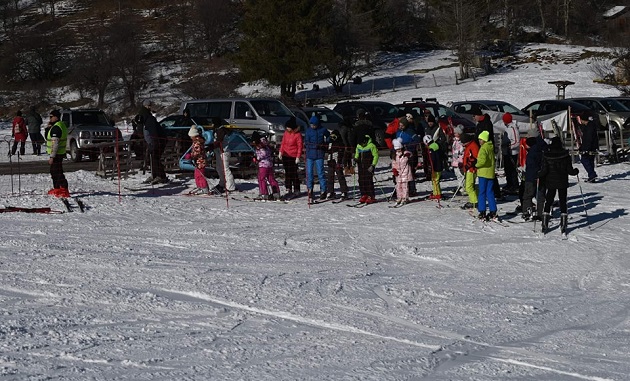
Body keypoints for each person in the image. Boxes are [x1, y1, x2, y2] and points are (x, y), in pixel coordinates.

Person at [537, 136, 579, 234]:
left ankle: (544, 222)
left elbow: (544, 170)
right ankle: (563, 224)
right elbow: (569, 170)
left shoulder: (547, 155)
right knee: (563, 201)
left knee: (549, 201)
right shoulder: (565, 155)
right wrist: (575, 171)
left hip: (550, 182)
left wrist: (537, 174)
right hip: (562, 182)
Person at [471, 106, 502, 199]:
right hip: (481, 147)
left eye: (474, 116)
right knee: (486, 169)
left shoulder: (486, 123)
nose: (473, 118)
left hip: (486, 148)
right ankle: (493, 190)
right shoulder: (480, 123)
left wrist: (480, 143)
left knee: (489, 169)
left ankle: (495, 191)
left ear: (478, 115)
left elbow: (486, 136)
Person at [139, 99, 168, 184]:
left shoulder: (148, 118)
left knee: (155, 158)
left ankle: (160, 176)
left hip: (156, 141)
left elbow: (154, 132)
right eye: (149, 105)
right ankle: (155, 175)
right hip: (153, 141)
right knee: (153, 158)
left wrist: (153, 143)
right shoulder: (146, 117)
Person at [521, 130, 547, 221]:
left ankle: (527, 212)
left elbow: (532, 164)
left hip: (532, 175)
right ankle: (541, 212)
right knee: (541, 195)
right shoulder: (543, 146)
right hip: (542, 174)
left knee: (528, 194)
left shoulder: (533, 150)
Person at [304, 115, 329, 202]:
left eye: (314, 125)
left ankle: (323, 190)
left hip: (319, 155)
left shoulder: (323, 130)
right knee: (309, 173)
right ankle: (310, 190)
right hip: (310, 155)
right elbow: (306, 142)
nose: (312, 126)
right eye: (311, 125)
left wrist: (325, 143)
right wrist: (315, 146)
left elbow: (328, 136)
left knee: (320, 173)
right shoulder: (308, 131)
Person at [46, 109, 70, 198]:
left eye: (51, 117)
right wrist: (47, 129)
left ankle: (63, 189)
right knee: (54, 171)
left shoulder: (56, 127)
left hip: (57, 153)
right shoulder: (60, 125)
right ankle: (57, 188)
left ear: (56, 117)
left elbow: (55, 143)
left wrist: (52, 156)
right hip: (60, 152)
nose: (50, 119)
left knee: (57, 172)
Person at [475, 130, 498, 221]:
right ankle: (493, 211)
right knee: (490, 192)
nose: (479, 141)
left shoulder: (483, 148)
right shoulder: (490, 146)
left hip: (483, 173)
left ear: (484, 139)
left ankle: (482, 211)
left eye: (480, 139)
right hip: (490, 173)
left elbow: (482, 161)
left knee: (482, 193)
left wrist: (476, 165)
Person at [278, 117, 303, 200]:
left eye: (288, 127)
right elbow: (283, 143)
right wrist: (280, 152)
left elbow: (300, 146)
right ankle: (288, 187)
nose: (287, 129)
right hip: (286, 155)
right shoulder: (286, 133)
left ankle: (296, 188)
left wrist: (298, 156)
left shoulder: (297, 135)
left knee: (293, 173)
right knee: (287, 173)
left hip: (293, 156)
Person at [395, 114, 420, 196]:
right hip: (400, 153)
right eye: (400, 125)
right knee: (401, 172)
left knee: (410, 172)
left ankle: (412, 189)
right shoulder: (398, 132)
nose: (400, 127)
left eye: (402, 125)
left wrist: (409, 146)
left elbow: (417, 140)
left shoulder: (410, 131)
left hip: (409, 153)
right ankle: (401, 189)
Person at [211, 117, 237, 194]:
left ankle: (230, 186)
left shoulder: (221, 130)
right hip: (218, 151)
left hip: (224, 151)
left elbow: (219, 141)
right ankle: (222, 183)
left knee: (225, 168)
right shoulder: (217, 129)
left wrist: (211, 146)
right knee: (219, 168)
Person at [252, 134, 280, 200]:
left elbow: (263, 153)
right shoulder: (266, 145)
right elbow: (268, 152)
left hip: (263, 166)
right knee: (271, 179)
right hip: (269, 165)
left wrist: (257, 158)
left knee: (261, 179)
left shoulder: (260, 145)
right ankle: (276, 193)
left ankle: (264, 194)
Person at [499, 113, 520, 195]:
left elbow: (516, 141)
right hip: (506, 153)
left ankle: (515, 186)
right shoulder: (507, 128)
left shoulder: (513, 128)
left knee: (512, 170)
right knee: (507, 170)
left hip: (512, 153)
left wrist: (509, 147)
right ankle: (509, 184)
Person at [354, 134, 379, 204]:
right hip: (361, 166)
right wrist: (355, 159)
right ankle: (364, 194)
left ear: (365, 141)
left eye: (362, 143)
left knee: (368, 181)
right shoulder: (359, 146)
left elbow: (376, 156)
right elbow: (357, 153)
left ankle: (371, 196)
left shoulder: (371, 146)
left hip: (369, 167)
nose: (361, 145)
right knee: (361, 180)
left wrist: (373, 165)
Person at [326, 129, 349, 200]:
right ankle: (330, 192)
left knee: (340, 176)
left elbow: (342, 153)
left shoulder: (340, 143)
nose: (333, 138)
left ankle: (344, 192)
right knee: (330, 177)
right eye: (332, 136)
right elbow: (328, 150)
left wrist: (340, 162)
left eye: (334, 136)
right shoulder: (330, 143)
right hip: (330, 162)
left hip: (337, 162)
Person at [186, 126, 209, 195]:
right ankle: (199, 186)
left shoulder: (198, 142)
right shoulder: (195, 141)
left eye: (191, 136)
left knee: (200, 175)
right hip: (197, 161)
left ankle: (204, 188)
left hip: (200, 161)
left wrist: (190, 155)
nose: (190, 138)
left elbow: (197, 152)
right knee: (196, 174)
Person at [577, 112, 599, 182]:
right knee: (590, 161)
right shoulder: (590, 126)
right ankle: (591, 176)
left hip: (589, 147)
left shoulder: (589, 127)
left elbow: (588, 139)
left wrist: (585, 148)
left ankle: (592, 174)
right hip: (592, 146)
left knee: (584, 160)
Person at [461, 133, 479, 210]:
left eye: (463, 142)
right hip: (468, 169)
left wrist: (468, 165)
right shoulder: (469, 146)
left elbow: (475, 158)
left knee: (469, 187)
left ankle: (474, 201)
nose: (462, 144)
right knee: (471, 186)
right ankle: (475, 199)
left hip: (471, 169)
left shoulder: (473, 146)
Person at [392, 138, 412, 205]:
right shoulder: (395, 155)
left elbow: (410, 154)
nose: (398, 150)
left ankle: (405, 198)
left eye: (399, 148)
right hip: (398, 173)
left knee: (404, 186)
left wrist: (408, 155)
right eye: (397, 149)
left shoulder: (405, 153)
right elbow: (394, 163)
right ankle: (399, 197)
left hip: (405, 172)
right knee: (398, 186)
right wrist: (394, 169)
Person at [423, 135, 443, 200]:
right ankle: (436, 192)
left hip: (435, 167)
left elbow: (432, 159)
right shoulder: (436, 145)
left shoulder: (431, 149)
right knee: (435, 180)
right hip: (439, 165)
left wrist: (431, 167)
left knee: (435, 181)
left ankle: (437, 194)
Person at [450, 125, 466, 194]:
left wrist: (458, 154)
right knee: (457, 174)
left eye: (456, 133)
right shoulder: (455, 141)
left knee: (461, 175)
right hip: (455, 160)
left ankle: (463, 187)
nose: (454, 134)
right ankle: (460, 186)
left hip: (460, 160)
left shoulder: (461, 141)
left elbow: (461, 150)